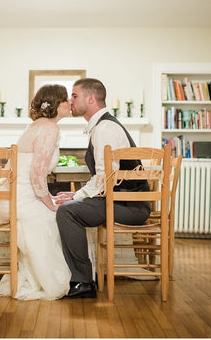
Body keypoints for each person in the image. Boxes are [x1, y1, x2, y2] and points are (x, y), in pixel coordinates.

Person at [54, 78, 150, 299]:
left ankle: (83, 282)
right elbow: (105, 178)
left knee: (67, 212)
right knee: (71, 205)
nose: (70, 100)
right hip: (122, 201)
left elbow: (105, 177)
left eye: (74, 95)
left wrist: (76, 197)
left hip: (129, 206)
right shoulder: (102, 125)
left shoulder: (105, 128)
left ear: (90, 99)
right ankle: (83, 278)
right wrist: (76, 195)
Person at [0, 84, 72, 300]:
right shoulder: (49, 128)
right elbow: (37, 175)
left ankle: (31, 276)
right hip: (19, 199)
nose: (70, 102)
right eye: (66, 99)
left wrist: (48, 199)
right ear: (56, 104)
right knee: (57, 217)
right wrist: (50, 203)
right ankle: (46, 280)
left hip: (11, 196)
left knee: (55, 213)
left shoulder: (37, 125)